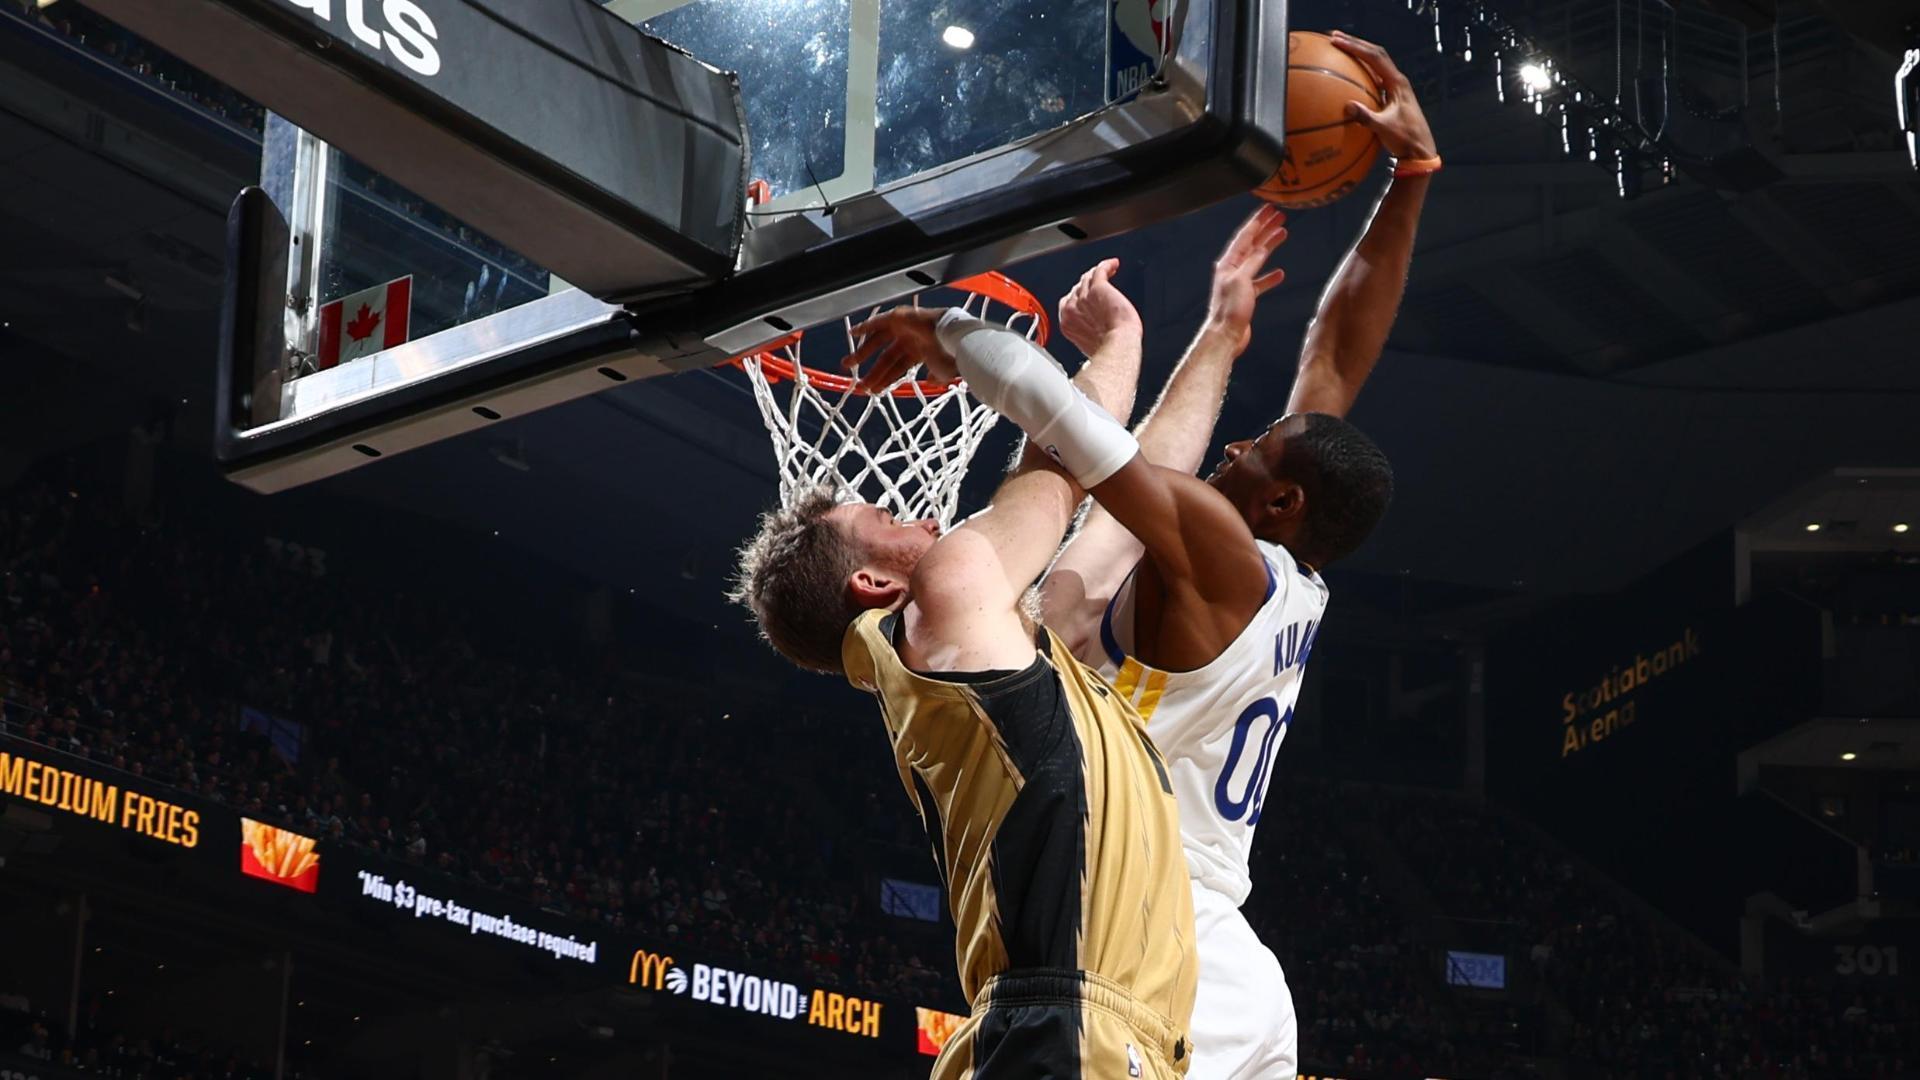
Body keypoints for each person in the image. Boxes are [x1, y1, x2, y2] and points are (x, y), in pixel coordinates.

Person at [732, 285, 1304, 1076]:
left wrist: (1190, 341)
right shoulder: (950, 598)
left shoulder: (995, 646)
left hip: (1104, 1032)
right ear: (869, 583)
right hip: (1068, 1029)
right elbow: (1065, 454)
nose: (925, 521)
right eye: (888, 522)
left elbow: (1129, 489)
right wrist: (970, 334)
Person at [1038, 31, 1436, 1080]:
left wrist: (958, 337)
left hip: (1160, 936)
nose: (1235, 444)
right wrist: (1414, 177)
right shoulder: (1287, 565)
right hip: (1226, 956)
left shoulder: (1224, 553)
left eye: (1254, 448)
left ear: (1282, 499)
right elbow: (1337, 351)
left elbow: (1101, 453)